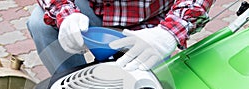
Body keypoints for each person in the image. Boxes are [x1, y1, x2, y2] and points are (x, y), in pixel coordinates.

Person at [27, 0, 214, 74]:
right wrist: (65, 13)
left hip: (153, 25)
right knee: (40, 24)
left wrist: (169, 32)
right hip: (95, 11)